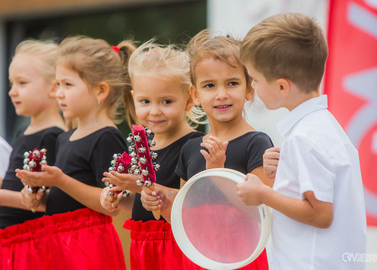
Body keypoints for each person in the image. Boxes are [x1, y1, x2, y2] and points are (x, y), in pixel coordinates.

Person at [237, 13, 367, 270]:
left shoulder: (304, 138)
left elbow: (320, 214)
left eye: (256, 79)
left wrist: (263, 194)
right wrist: (282, 173)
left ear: (283, 87)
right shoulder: (322, 127)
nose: (253, 85)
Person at [141, 30, 274, 270]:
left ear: (249, 88)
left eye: (232, 83)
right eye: (209, 85)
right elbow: (185, 217)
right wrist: (161, 202)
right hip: (198, 258)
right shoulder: (191, 148)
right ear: (196, 95)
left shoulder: (258, 143)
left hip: (242, 259)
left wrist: (216, 173)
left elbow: (260, 212)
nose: (221, 94)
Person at [15, 36, 135, 270]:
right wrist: (35, 194)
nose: (58, 93)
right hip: (57, 242)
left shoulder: (106, 137)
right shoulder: (63, 138)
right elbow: (64, 198)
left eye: (67, 85)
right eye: (57, 84)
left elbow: (110, 204)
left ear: (100, 91)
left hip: (89, 245)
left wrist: (60, 180)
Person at [100, 40, 204, 270]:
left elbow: (194, 203)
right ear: (134, 97)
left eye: (166, 101)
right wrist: (117, 197)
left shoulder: (195, 145)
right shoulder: (142, 146)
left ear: (188, 99)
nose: (155, 110)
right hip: (143, 247)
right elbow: (143, 202)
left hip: (177, 249)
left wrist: (140, 186)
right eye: (145, 101)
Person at [0, 39, 66, 266]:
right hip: (12, 242)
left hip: (34, 244)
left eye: (22, 83)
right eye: (11, 83)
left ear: (54, 87)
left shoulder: (54, 136)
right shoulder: (24, 132)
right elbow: (18, 185)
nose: (12, 92)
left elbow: (50, 201)